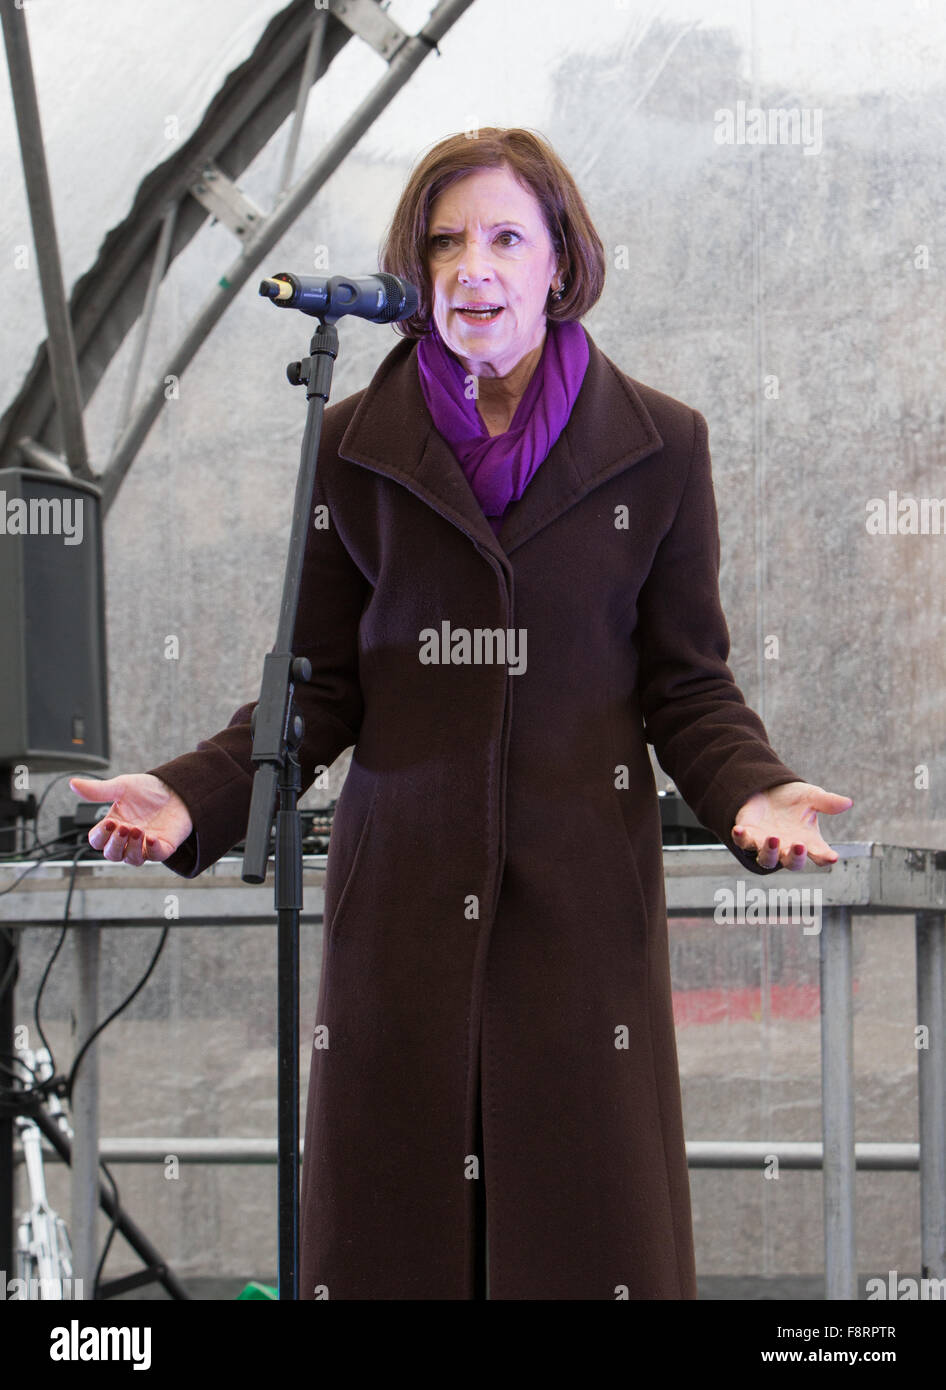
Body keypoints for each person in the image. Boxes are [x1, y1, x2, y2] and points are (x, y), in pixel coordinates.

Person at [71, 128, 852, 1301]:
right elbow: (316, 685)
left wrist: (753, 788)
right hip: (401, 923)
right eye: (443, 241)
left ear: (560, 264)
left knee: (588, 1246)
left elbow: (685, 681)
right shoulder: (348, 442)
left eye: (502, 237)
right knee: (399, 1248)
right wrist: (187, 795)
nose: (468, 265)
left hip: (579, 926)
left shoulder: (661, 447)